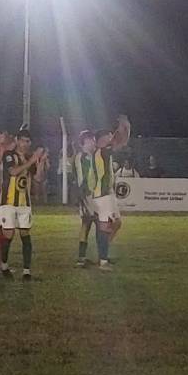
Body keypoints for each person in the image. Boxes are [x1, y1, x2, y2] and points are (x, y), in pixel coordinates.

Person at [75, 116, 131, 271]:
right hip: (101, 195)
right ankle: (103, 260)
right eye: (108, 136)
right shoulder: (101, 152)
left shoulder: (102, 152)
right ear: (102, 139)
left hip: (108, 194)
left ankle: (102, 252)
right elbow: (120, 142)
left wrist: (125, 129)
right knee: (102, 226)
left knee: (116, 224)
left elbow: (121, 142)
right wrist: (124, 127)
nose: (110, 138)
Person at [0, 127, 46, 280]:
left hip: (24, 203)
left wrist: (41, 163)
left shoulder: (30, 158)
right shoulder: (9, 155)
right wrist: (31, 160)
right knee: (8, 235)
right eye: (22, 141)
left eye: (28, 142)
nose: (25, 144)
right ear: (17, 140)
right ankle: (3, 265)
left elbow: (38, 179)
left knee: (25, 235)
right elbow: (12, 172)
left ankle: (26, 270)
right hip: (8, 202)